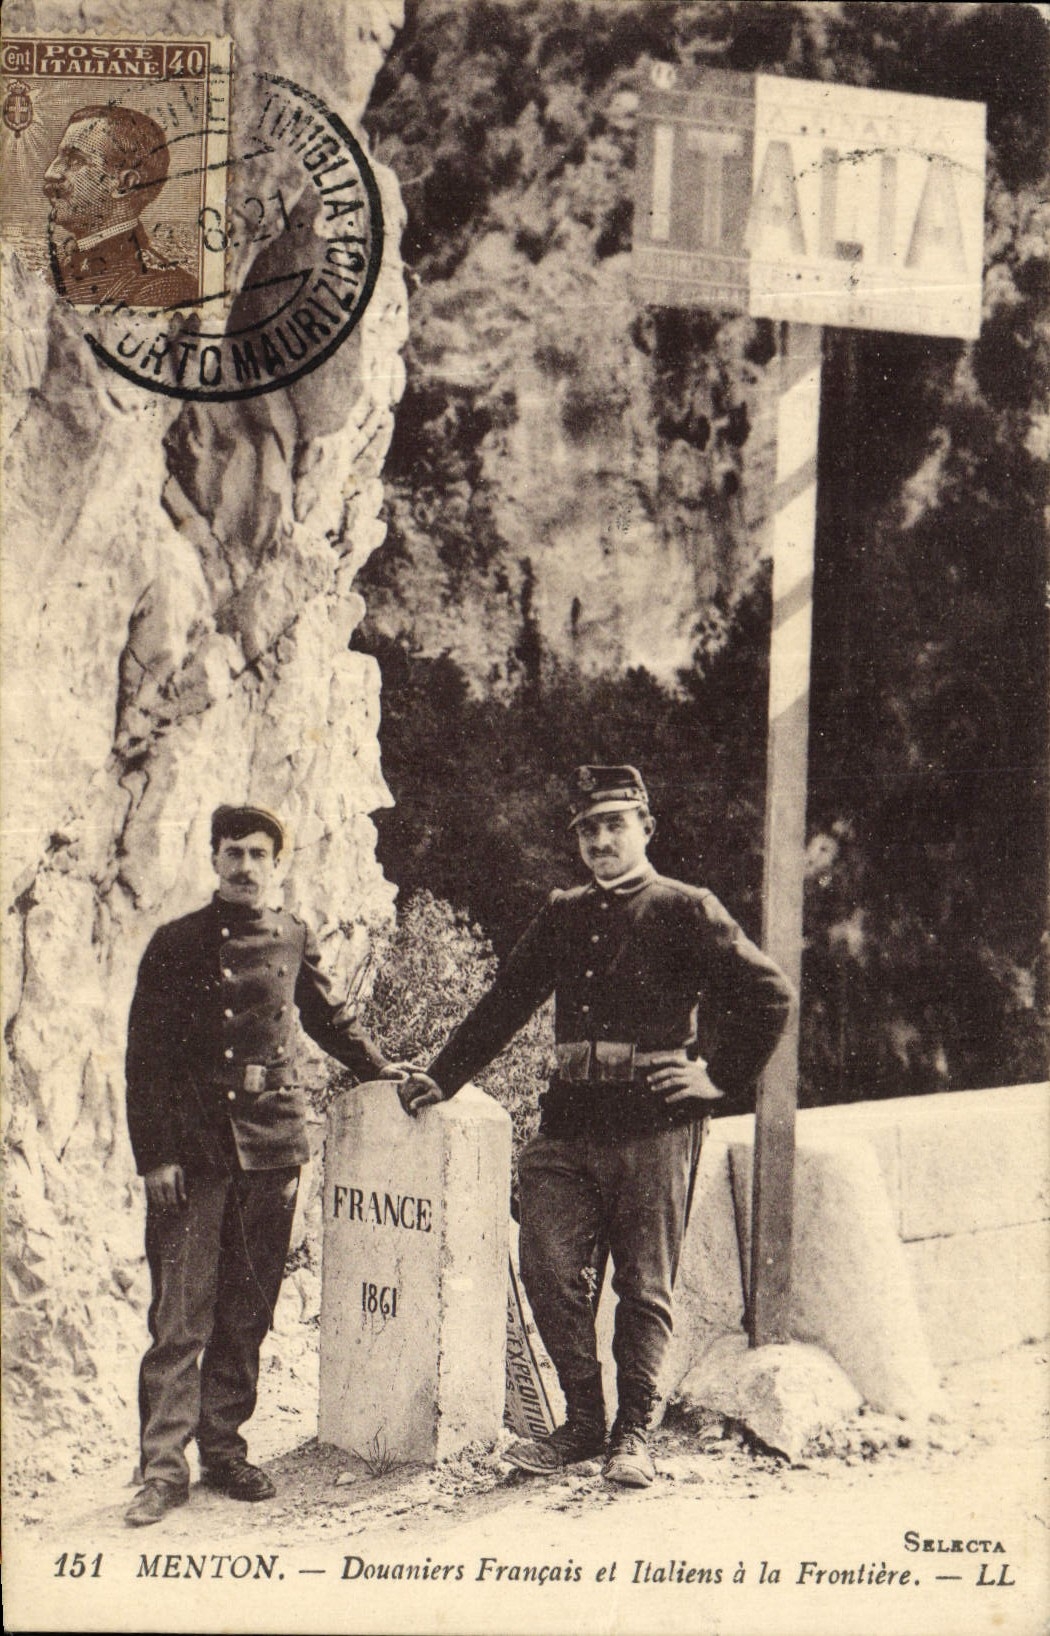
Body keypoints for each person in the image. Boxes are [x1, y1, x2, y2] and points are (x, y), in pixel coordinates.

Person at [399, 766, 793, 1487]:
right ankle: (582, 1421)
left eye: (616, 824)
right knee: (547, 1268)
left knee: (644, 1288)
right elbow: (507, 1000)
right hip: (569, 1124)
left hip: (655, 1125)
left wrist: (716, 1079)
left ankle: (632, 1435)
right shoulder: (563, 913)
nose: (602, 840)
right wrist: (442, 1075)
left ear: (646, 827)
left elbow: (769, 995)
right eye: (589, 829)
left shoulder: (687, 908)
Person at [124, 804, 407, 1527]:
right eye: (232, 852)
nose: (244, 865)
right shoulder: (177, 943)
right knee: (181, 1316)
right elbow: (145, 1061)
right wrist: (156, 1155)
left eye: (257, 853)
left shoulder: (292, 936)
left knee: (248, 1309)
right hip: (196, 1152)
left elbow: (331, 1019)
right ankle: (162, 1469)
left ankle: (224, 1449)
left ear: (275, 863)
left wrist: (384, 1070)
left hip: (275, 1148)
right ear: (213, 860)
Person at [42, 103, 197, 307]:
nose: (51, 173)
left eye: (76, 161)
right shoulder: (57, 271)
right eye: (59, 158)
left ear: (125, 184)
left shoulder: (163, 287)